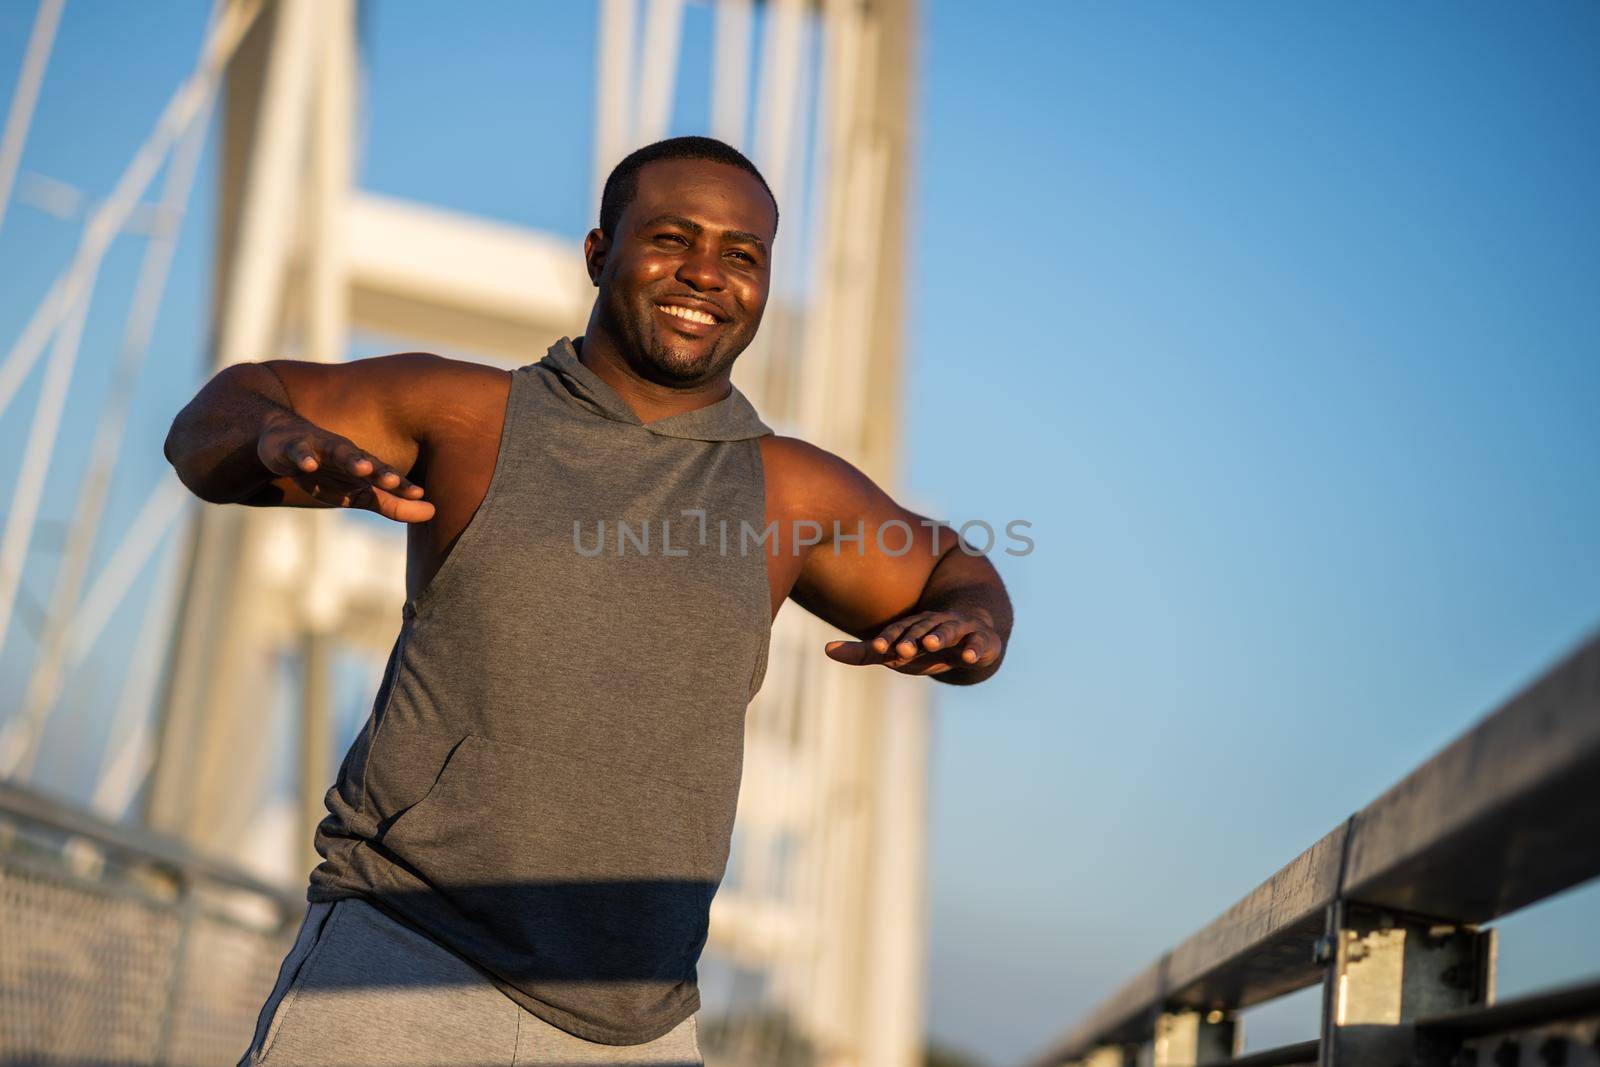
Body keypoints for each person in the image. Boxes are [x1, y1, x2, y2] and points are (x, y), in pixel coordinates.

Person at [165, 136, 1012, 1066]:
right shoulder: (468, 414)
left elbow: (955, 568)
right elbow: (225, 412)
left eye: (742, 255)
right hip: (399, 968)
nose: (705, 274)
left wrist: (976, 621)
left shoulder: (791, 492)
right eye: (671, 239)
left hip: (639, 1025)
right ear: (599, 252)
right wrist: (270, 439)